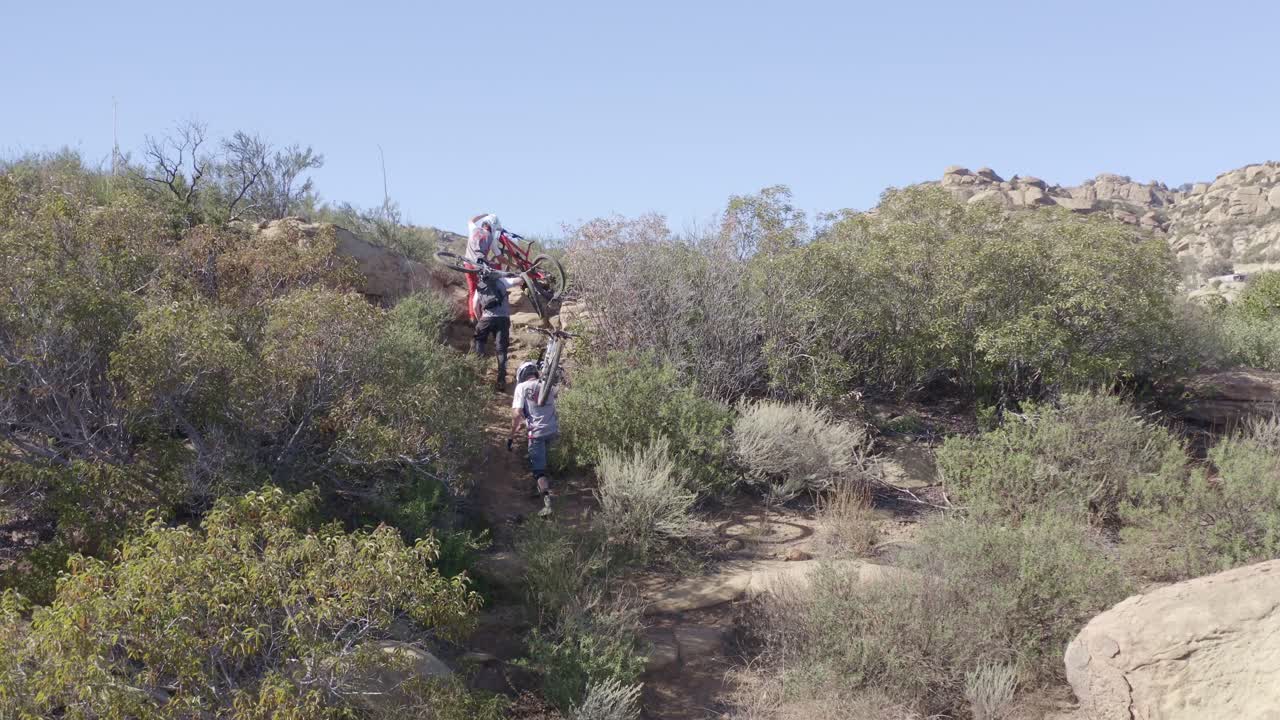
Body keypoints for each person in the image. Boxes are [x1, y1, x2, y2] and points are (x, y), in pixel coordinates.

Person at [509, 360, 559, 517]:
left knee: (538, 470)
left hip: (536, 433)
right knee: (548, 462)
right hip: (553, 430)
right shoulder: (547, 385)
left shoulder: (521, 387)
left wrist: (511, 436)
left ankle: (547, 505)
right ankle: (540, 489)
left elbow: (516, 413)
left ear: (521, 375)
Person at [473, 266, 521, 390]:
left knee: (479, 342)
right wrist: (519, 274)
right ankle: (501, 381)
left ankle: (478, 376)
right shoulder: (503, 281)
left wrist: (480, 319)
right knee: (501, 350)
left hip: (486, 319)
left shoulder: (480, 285)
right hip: (503, 319)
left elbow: (475, 306)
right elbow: (519, 281)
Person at [464, 214, 503, 322]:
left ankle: (472, 316)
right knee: (482, 288)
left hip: (467, 264)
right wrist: (512, 265)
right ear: (493, 227)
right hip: (479, 267)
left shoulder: (474, 229)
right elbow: (500, 258)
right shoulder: (491, 238)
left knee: (472, 290)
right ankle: (498, 288)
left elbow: (471, 220)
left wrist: (484, 214)